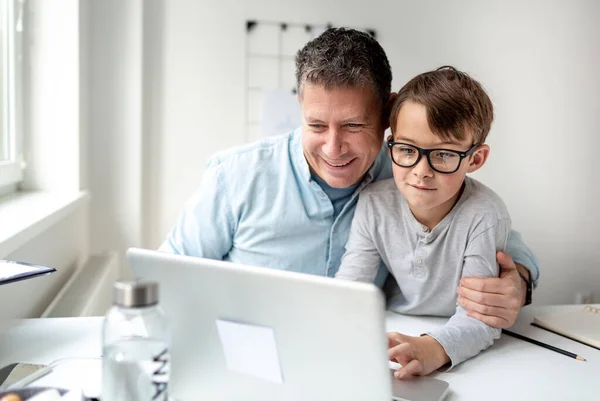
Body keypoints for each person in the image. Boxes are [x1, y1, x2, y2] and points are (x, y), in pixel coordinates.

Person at [159, 28, 539, 329]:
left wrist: (518, 281)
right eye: (317, 124)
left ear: (388, 112)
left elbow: (493, 231)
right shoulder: (236, 177)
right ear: (300, 108)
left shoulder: (411, 173)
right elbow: (167, 275)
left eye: (354, 125)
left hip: (361, 351)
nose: (333, 148)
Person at [336, 66, 510, 378]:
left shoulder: (484, 214)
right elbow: (350, 290)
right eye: (406, 149)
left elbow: (480, 317)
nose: (421, 171)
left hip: (456, 342)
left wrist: (435, 349)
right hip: (390, 329)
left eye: (442, 155)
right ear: (393, 144)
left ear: (475, 159)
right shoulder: (374, 203)